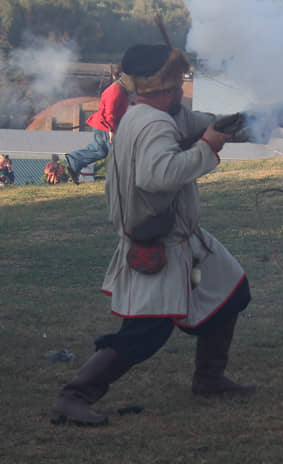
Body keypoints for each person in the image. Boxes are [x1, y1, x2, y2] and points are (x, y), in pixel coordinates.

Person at [50, 44, 254, 427]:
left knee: (232, 293)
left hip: (180, 236)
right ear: (167, 87)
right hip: (159, 242)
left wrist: (246, 121)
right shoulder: (156, 123)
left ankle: (209, 379)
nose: (181, 89)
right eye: (177, 83)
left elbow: (198, 122)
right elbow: (159, 176)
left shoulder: (149, 114)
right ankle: (73, 396)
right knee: (145, 334)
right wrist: (210, 145)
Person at [64, 70, 130, 185]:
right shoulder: (116, 91)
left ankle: (75, 160)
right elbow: (110, 114)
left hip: (101, 125)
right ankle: (121, 180)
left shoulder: (120, 89)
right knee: (118, 153)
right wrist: (112, 131)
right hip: (106, 127)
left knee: (99, 150)